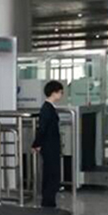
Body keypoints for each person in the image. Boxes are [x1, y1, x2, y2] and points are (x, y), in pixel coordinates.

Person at [32, 80, 64, 208]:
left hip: (51, 145)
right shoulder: (46, 109)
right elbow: (42, 128)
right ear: (53, 93)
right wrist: (36, 144)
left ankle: (50, 201)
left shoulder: (50, 108)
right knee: (51, 173)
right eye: (60, 92)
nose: (61, 95)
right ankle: (48, 202)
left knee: (52, 173)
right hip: (49, 146)